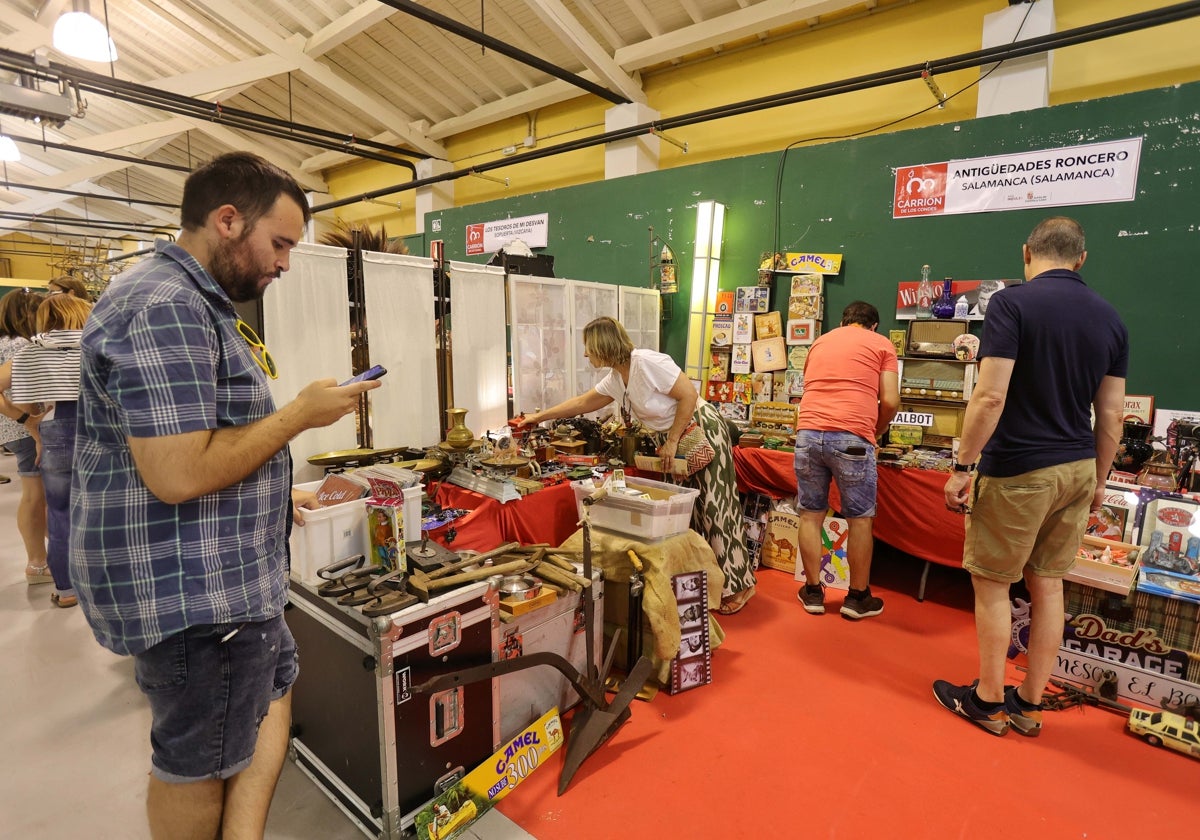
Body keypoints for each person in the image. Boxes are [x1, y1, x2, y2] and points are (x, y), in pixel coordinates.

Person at [69, 152, 380, 839]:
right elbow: (178, 473)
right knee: (195, 762)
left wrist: (273, 499)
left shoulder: (186, 303)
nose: (285, 264)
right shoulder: (167, 307)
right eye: (279, 244)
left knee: (271, 694)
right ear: (228, 219)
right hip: (198, 598)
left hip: (225, 579)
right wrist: (300, 413)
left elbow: (190, 445)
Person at [933, 216, 1127, 737]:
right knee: (1049, 584)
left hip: (1020, 467)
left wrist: (962, 466)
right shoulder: (1111, 319)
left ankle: (987, 699)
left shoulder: (1011, 304)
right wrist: (1101, 479)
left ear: (1026, 253)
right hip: (1078, 468)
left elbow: (991, 395)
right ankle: (1030, 702)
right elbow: (1111, 415)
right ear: (1081, 259)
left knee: (994, 583)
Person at [511, 316, 756, 614]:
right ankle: (709, 583)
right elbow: (582, 402)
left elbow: (688, 395)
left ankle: (739, 585)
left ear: (602, 345)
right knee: (692, 512)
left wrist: (674, 439)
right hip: (676, 438)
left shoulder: (647, 362)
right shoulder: (617, 378)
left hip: (699, 431)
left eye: (588, 348)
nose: (586, 354)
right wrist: (540, 416)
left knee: (716, 507)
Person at [793, 301, 899, 620]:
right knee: (859, 519)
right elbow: (891, 400)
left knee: (811, 515)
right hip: (853, 439)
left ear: (843, 321)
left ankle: (812, 592)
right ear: (874, 326)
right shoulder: (882, 344)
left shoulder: (821, 341)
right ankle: (857, 598)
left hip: (808, 434)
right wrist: (874, 433)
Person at [5, 292, 92, 607]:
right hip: (99, 432)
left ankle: (67, 589)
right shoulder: (97, 343)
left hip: (54, 429)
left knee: (59, 514)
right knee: (106, 509)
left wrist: (30, 422)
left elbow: (14, 392)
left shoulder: (32, 349)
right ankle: (105, 583)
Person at [0, 289, 48, 583]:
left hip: (14, 427)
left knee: (35, 496)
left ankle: (41, 560)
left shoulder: (4, 342)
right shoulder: (20, 347)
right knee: (35, 496)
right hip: (24, 427)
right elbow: (23, 393)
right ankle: (38, 563)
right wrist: (29, 420)